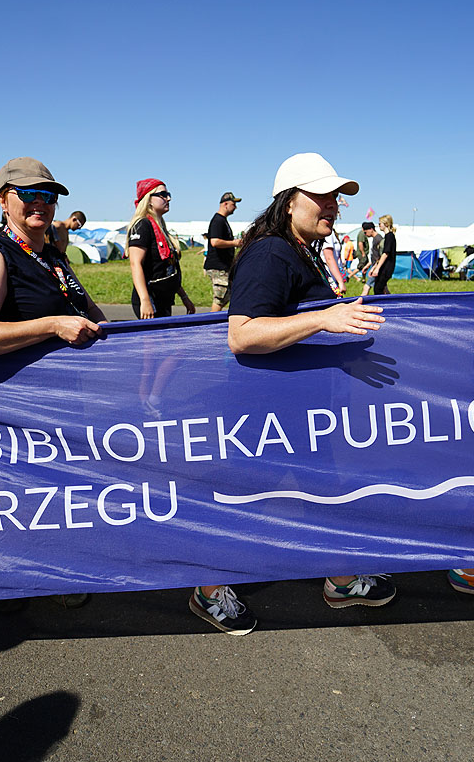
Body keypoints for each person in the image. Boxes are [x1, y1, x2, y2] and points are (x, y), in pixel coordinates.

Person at [201, 152, 395, 635]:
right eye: (321, 196)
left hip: (300, 406)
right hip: (263, 407)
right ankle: (207, 590)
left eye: (336, 199)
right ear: (289, 202)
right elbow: (242, 334)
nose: (332, 206)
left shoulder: (300, 248)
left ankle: (341, 578)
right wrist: (325, 318)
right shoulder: (270, 251)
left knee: (324, 491)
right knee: (241, 499)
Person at [0, 157, 105, 357]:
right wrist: (53, 326)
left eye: (48, 195)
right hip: (26, 386)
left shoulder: (53, 256)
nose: (39, 201)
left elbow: (90, 308)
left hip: (71, 381)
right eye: (27, 193)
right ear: (3, 201)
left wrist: (107, 334)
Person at [127, 179, 195, 319]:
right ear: (149, 199)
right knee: (153, 340)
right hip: (151, 298)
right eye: (163, 194)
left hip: (164, 299)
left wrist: (184, 296)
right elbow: (135, 264)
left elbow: (168, 269)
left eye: (168, 194)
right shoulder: (142, 225)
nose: (168, 198)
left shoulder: (161, 229)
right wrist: (145, 300)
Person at [203, 192, 243, 312]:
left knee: (226, 296)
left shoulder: (222, 220)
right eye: (233, 204)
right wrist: (234, 243)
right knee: (220, 297)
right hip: (218, 266)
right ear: (225, 204)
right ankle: (211, 324)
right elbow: (214, 242)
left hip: (224, 266)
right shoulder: (218, 221)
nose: (235, 207)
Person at [369, 215, 397, 294]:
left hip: (387, 266)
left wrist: (377, 268)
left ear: (386, 224)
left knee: (378, 289)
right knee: (383, 288)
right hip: (384, 266)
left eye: (380, 223)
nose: (379, 225)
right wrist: (374, 267)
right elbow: (382, 255)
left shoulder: (390, 236)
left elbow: (385, 253)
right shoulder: (387, 237)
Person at [358, 221, 381, 293]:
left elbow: (380, 257)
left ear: (371, 229)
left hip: (377, 268)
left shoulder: (378, 239)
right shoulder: (375, 239)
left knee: (366, 287)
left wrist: (374, 268)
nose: (365, 234)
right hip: (375, 267)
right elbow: (375, 256)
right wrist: (367, 266)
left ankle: (359, 303)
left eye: (365, 232)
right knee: (383, 289)